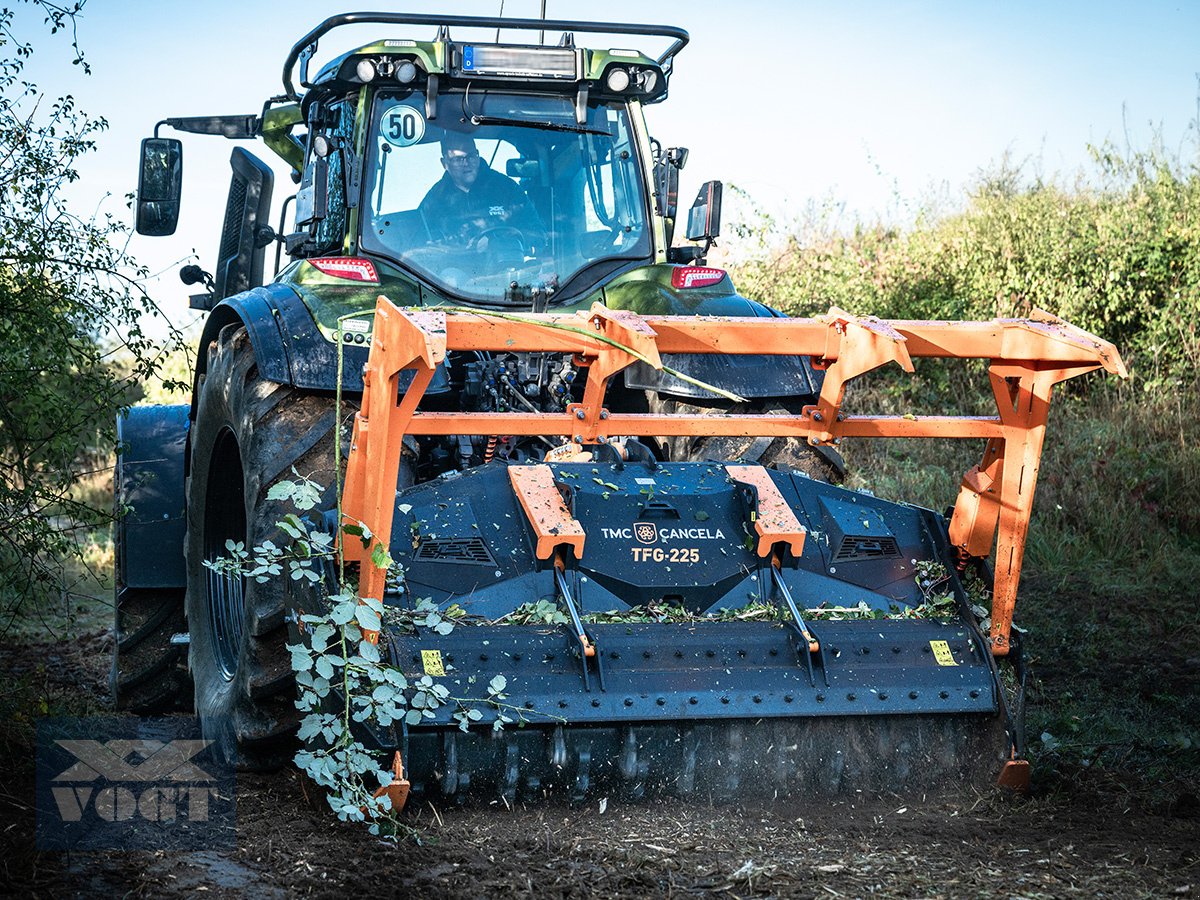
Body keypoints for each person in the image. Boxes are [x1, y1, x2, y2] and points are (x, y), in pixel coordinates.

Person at [417, 132, 544, 253]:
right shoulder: (435, 198)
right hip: (451, 267)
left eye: (471, 156)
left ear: (477, 155)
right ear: (444, 163)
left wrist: (497, 241)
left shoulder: (506, 188)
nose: (466, 163)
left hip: (508, 266)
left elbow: (539, 235)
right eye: (458, 159)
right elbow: (418, 243)